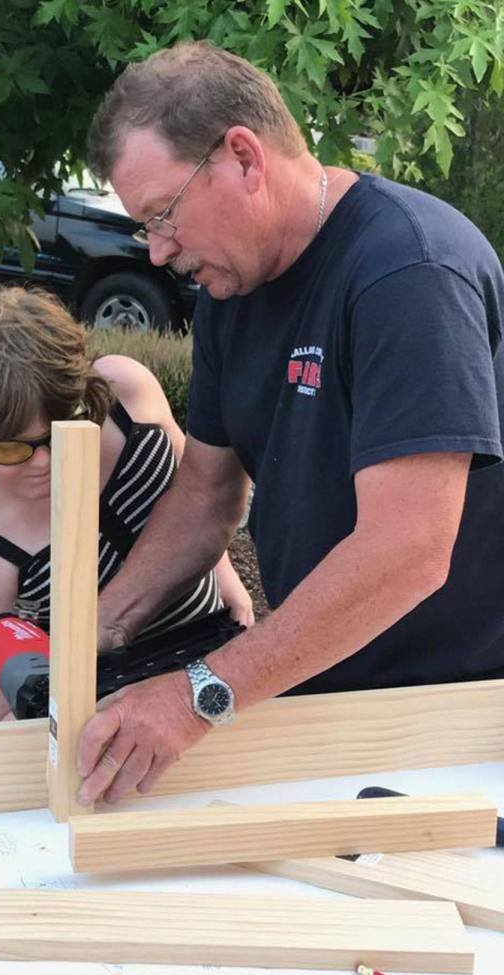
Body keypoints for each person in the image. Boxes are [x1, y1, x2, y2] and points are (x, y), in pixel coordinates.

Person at [74, 40, 504, 807]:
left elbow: (409, 550)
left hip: (458, 720)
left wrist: (198, 695)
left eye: (163, 214)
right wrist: (89, 635)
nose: (158, 250)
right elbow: (206, 495)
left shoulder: (408, 270)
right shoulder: (230, 295)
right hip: (328, 687)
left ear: (242, 156)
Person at [0, 285, 251, 721]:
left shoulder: (126, 393)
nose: (45, 463)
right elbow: (7, 716)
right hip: (110, 714)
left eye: (62, 430)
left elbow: (200, 495)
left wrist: (229, 582)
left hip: (219, 651)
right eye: (11, 449)